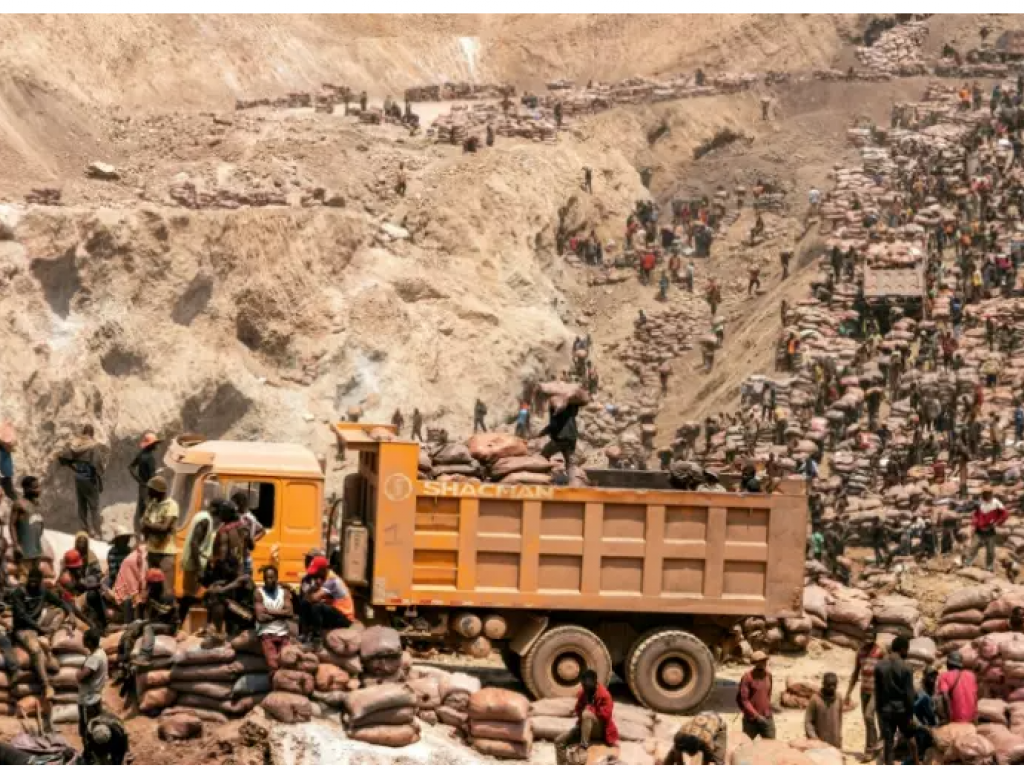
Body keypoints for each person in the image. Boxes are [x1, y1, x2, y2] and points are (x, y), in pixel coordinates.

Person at [11, 567, 91, 708]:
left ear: (41, 581)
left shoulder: (43, 591)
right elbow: (22, 616)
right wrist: (39, 628)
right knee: (36, 651)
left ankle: (47, 637)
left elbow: (61, 602)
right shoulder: (19, 593)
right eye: (31, 580)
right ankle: (46, 686)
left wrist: (70, 613)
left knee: (60, 611)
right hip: (24, 629)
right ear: (28, 579)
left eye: (36, 581)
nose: (33, 584)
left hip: (39, 626)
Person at [203, 500, 252, 642]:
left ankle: (218, 631)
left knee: (216, 597)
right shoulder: (244, 527)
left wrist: (213, 563)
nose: (219, 516)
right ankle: (232, 632)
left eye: (221, 513)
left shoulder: (224, 531)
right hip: (243, 571)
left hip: (228, 574)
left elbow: (223, 557)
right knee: (236, 602)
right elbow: (251, 546)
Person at [554, 669, 618, 764]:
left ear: (595, 683)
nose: (585, 688)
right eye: (584, 686)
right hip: (585, 727)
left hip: (600, 730)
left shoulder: (604, 695)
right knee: (559, 741)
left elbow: (606, 715)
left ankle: (584, 746)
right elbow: (578, 709)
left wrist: (590, 709)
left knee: (586, 714)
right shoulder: (583, 693)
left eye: (587, 686)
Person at [875, 636, 919, 766]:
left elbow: (877, 691)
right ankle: (917, 763)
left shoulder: (879, 666)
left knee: (888, 742)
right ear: (902, 649)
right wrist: (910, 715)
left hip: (886, 710)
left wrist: (879, 711)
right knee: (910, 737)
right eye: (907, 650)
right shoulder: (906, 667)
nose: (908, 653)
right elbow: (909, 695)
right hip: (902, 711)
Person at [118, 568, 178, 664]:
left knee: (148, 627)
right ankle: (123, 656)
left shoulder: (167, 596)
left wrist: (144, 622)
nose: (148, 586)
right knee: (133, 625)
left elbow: (161, 616)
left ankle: (145, 656)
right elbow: (142, 617)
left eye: (150, 584)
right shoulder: (150, 596)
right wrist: (142, 604)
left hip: (169, 626)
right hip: (153, 623)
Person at [58, 424, 105, 538]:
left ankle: (84, 531)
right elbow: (96, 466)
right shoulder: (93, 446)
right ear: (92, 433)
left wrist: (73, 467)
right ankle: (97, 532)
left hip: (79, 477)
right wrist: (99, 481)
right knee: (94, 507)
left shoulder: (76, 445)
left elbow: (62, 457)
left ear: (84, 433)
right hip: (89, 478)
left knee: (82, 506)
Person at [845, 625, 883, 759]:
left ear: (874, 638)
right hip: (864, 691)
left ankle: (870, 750)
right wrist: (848, 693)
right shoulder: (860, 652)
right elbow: (855, 673)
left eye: (870, 637)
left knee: (869, 716)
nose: (868, 639)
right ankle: (875, 745)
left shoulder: (880, 652)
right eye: (866, 637)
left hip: (877, 690)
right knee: (868, 720)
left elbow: (886, 670)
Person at [254, 564, 294, 676]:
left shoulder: (284, 592)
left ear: (276, 578)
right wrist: (282, 614)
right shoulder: (259, 593)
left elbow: (290, 613)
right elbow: (260, 618)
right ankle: (275, 688)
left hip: (283, 633)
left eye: (271, 578)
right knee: (273, 665)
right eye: (266, 578)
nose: (268, 580)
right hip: (266, 633)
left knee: (286, 663)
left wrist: (269, 612)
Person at [305, 555, 355, 642]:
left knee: (317, 607)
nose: (315, 575)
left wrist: (311, 592)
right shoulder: (325, 578)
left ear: (323, 570)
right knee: (308, 605)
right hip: (336, 613)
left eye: (316, 572)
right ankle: (307, 633)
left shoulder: (331, 580)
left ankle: (316, 640)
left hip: (345, 618)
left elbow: (314, 598)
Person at [140, 476, 178, 587]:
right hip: (152, 551)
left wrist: (148, 525)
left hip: (165, 553)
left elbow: (164, 527)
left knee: (166, 588)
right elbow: (143, 525)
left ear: (157, 491)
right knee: (151, 587)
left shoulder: (171, 505)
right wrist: (153, 526)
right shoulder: (152, 505)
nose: (148, 493)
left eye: (150, 490)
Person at [77, 628, 108, 753]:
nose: (82, 640)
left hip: (88, 700)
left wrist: (77, 674)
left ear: (89, 642)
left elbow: (83, 676)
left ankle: (90, 754)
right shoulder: (101, 653)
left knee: (88, 730)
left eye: (84, 639)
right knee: (96, 727)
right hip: (95, 697)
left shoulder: (94, 658)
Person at [9, 476, 45, 577]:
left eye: (38, 486)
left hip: (36, 550)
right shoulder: (19, 504)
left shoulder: (37, 504)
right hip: (25, 552)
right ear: (26, 489)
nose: (39, 490)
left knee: (35, 579)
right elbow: (12, 524)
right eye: (35, 487)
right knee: (25, 580)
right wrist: (16, 545)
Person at [661, 712, 727, 765]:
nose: (690, 755)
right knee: (673, 752)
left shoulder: (705, 740)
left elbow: (708, 758)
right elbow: (678, 756)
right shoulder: (679, 737)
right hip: (704, 716)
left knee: (718, 760)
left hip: (720, 725)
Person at [967, 487, 1007, 571]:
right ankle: (967, 564)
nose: (987, 495)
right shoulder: (979, 502)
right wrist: (973, 525)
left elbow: (1005, 514)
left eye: (988, 493)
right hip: (979, 530)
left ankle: (989, 567)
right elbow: (975, 515)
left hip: (990, 530)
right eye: (985, 493)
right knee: (973, 547)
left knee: (990, 551)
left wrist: (997, 522)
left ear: (991, 493)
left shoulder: (996, 503)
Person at [737, 651, 775, 739]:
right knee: (747, 745)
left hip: (767, 718)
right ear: (755, 663)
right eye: (760, 661)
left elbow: (768, 695)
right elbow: (744, 700)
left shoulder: (768, 675)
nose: (763, 663)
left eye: (764, 660)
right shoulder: (747, 677)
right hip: (751, 720)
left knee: (771, 745)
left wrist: (766, 711)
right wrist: (756, 716)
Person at [128, 432, 160, 533]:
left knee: (141, 510)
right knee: (149, 511)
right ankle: (145, 534)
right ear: (151, 445)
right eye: (155, 443)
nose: (156, 445)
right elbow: (152, 476)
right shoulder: (150, 458)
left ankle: (138, 533)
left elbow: (130, 467)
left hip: (142, 487)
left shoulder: (141, 454)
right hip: (149, 488)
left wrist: (139, 480)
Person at [936, 651, 978, 724]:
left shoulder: (944, 676)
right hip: (971, 718)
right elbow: (975, 697)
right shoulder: (971, 675)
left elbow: (945, 698)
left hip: (956, 719)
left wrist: (948, 719)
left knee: (936, 698)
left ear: (948, 664)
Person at [805, 672, 843, 749]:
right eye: (829, 685)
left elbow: (839, 718)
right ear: (823, 684)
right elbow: (808, 722)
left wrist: (839, 737)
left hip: (835, 742)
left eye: (834, 685)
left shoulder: (839, 698)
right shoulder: (815, 699)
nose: (832, 688)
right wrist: (814, 739)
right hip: (820, 743)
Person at [112, 542, 146, 623]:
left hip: (135, 587)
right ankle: (128, 625)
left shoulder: (141, 557)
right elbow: (132, 586)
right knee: (130, 600)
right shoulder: (130, 561)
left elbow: (142, 576)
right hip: (125, 592)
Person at [539, 400, 580, 469]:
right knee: (569, 461)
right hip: (572, 437)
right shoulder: (571, 405)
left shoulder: (555, 406)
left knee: (544, 455)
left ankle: (545, 473)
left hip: (560, 438)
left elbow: (554, 425)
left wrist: (543, 432)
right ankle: (572, 476)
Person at [235, 491, 266, 576]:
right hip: (243, 557)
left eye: (235, 503)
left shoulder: (247, 518)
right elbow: (262, 530)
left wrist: (253, 540)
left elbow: (262, 531)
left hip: (242, 557)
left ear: (240, 503)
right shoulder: (247, 516)